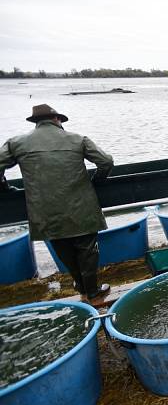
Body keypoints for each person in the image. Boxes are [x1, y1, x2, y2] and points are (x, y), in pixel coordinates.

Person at [0, 104, 114, 300]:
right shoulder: (78, 139)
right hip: (81, 205)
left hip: (43, 210)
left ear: (36, 123)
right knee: (87, 248)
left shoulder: (16, 143)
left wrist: (5, 189)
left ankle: (80, 284)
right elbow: (106, 161)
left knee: (62, 246)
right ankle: (92, 290)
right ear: (57, 120)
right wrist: (97, 180)